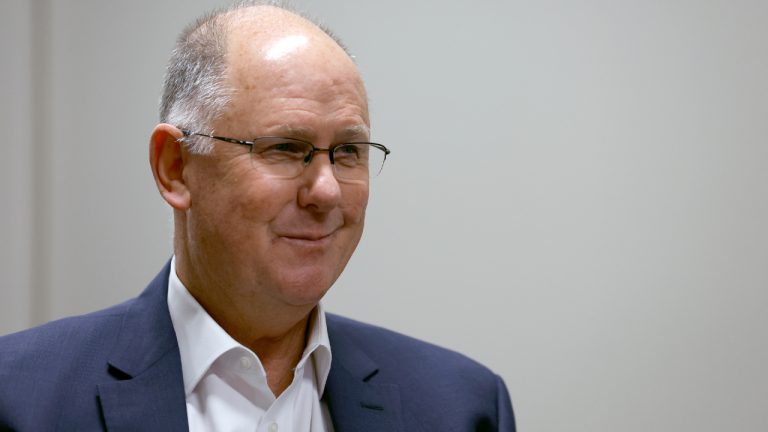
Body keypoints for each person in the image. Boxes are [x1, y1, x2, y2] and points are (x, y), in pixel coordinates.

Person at [0, 2, 514, 431]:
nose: (326, 191)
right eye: (285, 148)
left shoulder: (460, 408)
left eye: (348, 152)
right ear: (175, 167)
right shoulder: (19, 399)